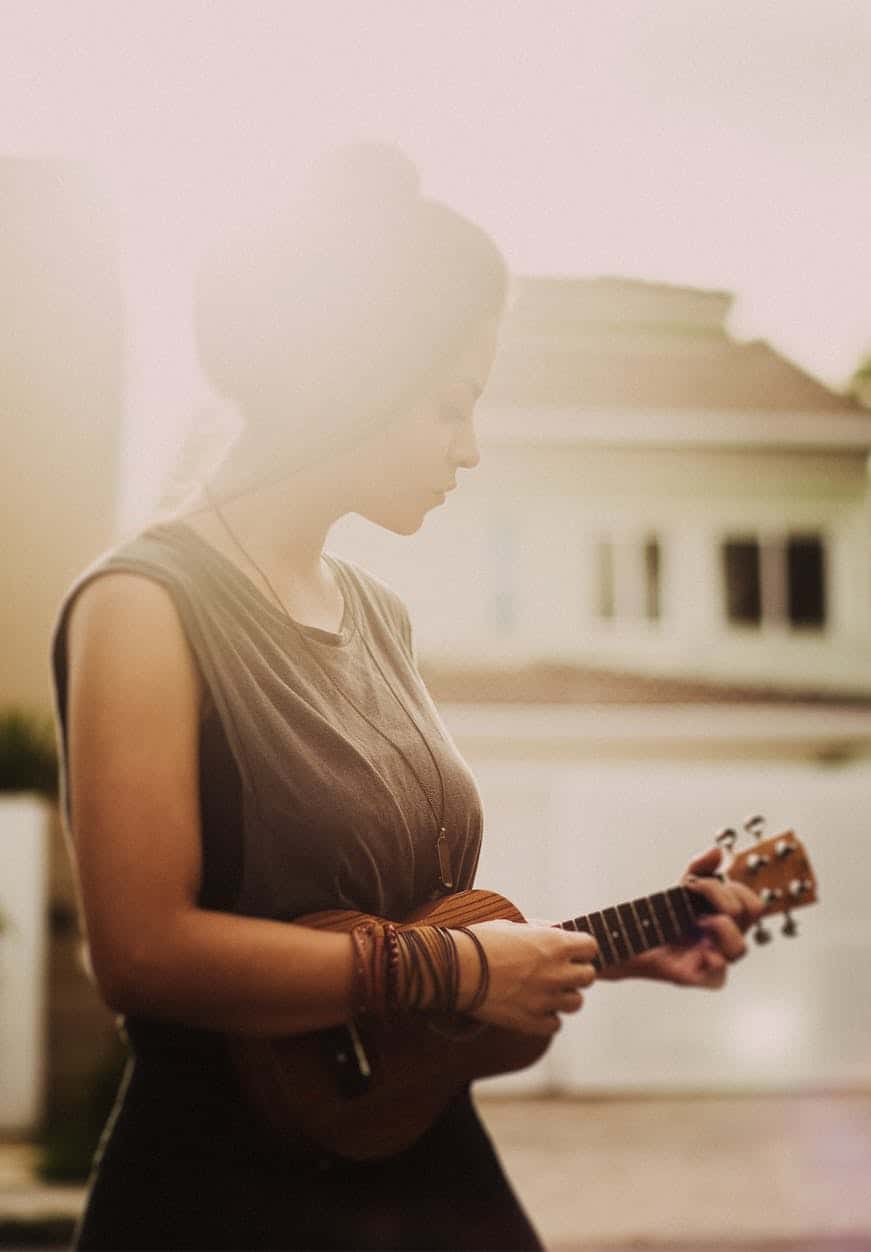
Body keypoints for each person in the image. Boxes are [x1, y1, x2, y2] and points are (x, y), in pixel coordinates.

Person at [51, 143, 763, 1252]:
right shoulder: (144, 603)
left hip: (427, 1179)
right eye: (448, 404)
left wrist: (615, 945)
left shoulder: (380, 615)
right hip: (223, 1201)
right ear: (357, 375)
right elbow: (143, 952)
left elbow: (414, 944)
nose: (470, 448)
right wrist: (472, 966)